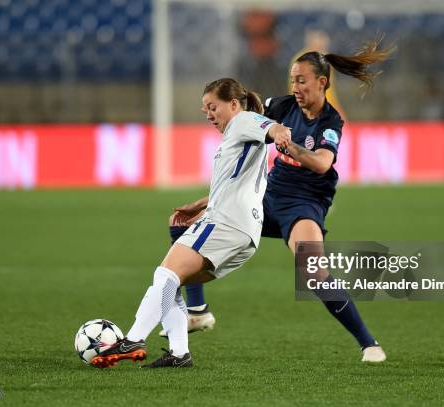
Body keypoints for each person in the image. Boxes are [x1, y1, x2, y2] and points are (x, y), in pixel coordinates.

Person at [167, 38, 394, 363]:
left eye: (301, 80)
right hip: (264, 198)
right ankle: (197, 310)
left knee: (314, 272)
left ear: (322, 83)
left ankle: (369, 344)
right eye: (293, 80)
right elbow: (244, 122)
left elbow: (322, 163)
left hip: (303, 206)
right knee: (183, 226)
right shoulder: (283, 106)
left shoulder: (330, 121)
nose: (296, 87)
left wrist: (293, 149)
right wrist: (207, 201)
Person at [91, 78, 291, 368]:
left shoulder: (243, 121)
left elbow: (271, 128)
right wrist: (203, 203)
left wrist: (280, 131)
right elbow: (236, 183)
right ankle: (179, 354)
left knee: (165, 276)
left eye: (213, 107)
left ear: (233, 104)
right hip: (243, 231)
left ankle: (134, 337)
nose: (209, 114)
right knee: (173, 281)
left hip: (226, 223)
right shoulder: (237, 133)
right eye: (204, 110)